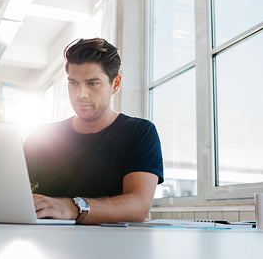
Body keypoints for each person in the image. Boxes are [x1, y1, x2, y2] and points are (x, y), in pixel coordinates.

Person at [24, 38, 163, 225]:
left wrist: (72, 207)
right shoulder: (42, 137)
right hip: (45, 243)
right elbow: (9, 192)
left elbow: (138, 206)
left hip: (110, 247)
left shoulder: (140, 133)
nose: (80, 94)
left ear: (115, 84)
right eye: (73, 83)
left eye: (92, 83)